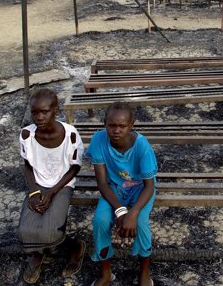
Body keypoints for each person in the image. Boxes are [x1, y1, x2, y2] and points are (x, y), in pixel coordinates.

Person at [17, 88, 87, 284]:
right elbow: (28, 165)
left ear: (56, 110)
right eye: (34, 112)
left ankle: (75, 247)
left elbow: (74, 168)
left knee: (50, 231)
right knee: (24, 232)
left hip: (62, 185)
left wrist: (52, 192)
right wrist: (34, 192)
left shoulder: (70, 135)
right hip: (38, 185)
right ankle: (39, 254)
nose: (39, 117)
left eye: (45, 111)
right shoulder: (26, 135)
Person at [86, 102, 157, 286]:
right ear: (104, 123)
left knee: (140, 222)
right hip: (114, 188)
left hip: (140, 189)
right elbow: (102, 182)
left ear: (131, 124)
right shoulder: (99, 140)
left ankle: (144, 272)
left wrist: (132, 214)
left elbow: (149, 186)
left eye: (122, 126)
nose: (116, 130)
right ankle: (105, 272)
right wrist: (120, 210)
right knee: (100, 221)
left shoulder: (142, 147)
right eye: (112, 125)